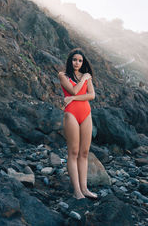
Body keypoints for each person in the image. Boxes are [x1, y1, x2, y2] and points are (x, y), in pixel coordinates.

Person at [59, 48, 97, 200]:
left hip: (86, 114)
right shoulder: (63, 75)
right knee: (73, 152)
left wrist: (73, 99)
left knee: (84, 153)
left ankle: (85, 188)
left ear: (83, 62)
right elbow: (74, 91)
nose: (77, 63)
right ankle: (77, 191)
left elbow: (92, 95)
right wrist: (83, 80)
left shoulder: (87, 77)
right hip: (71, 114)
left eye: (80, 60)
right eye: (75, 60)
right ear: (70, 60)